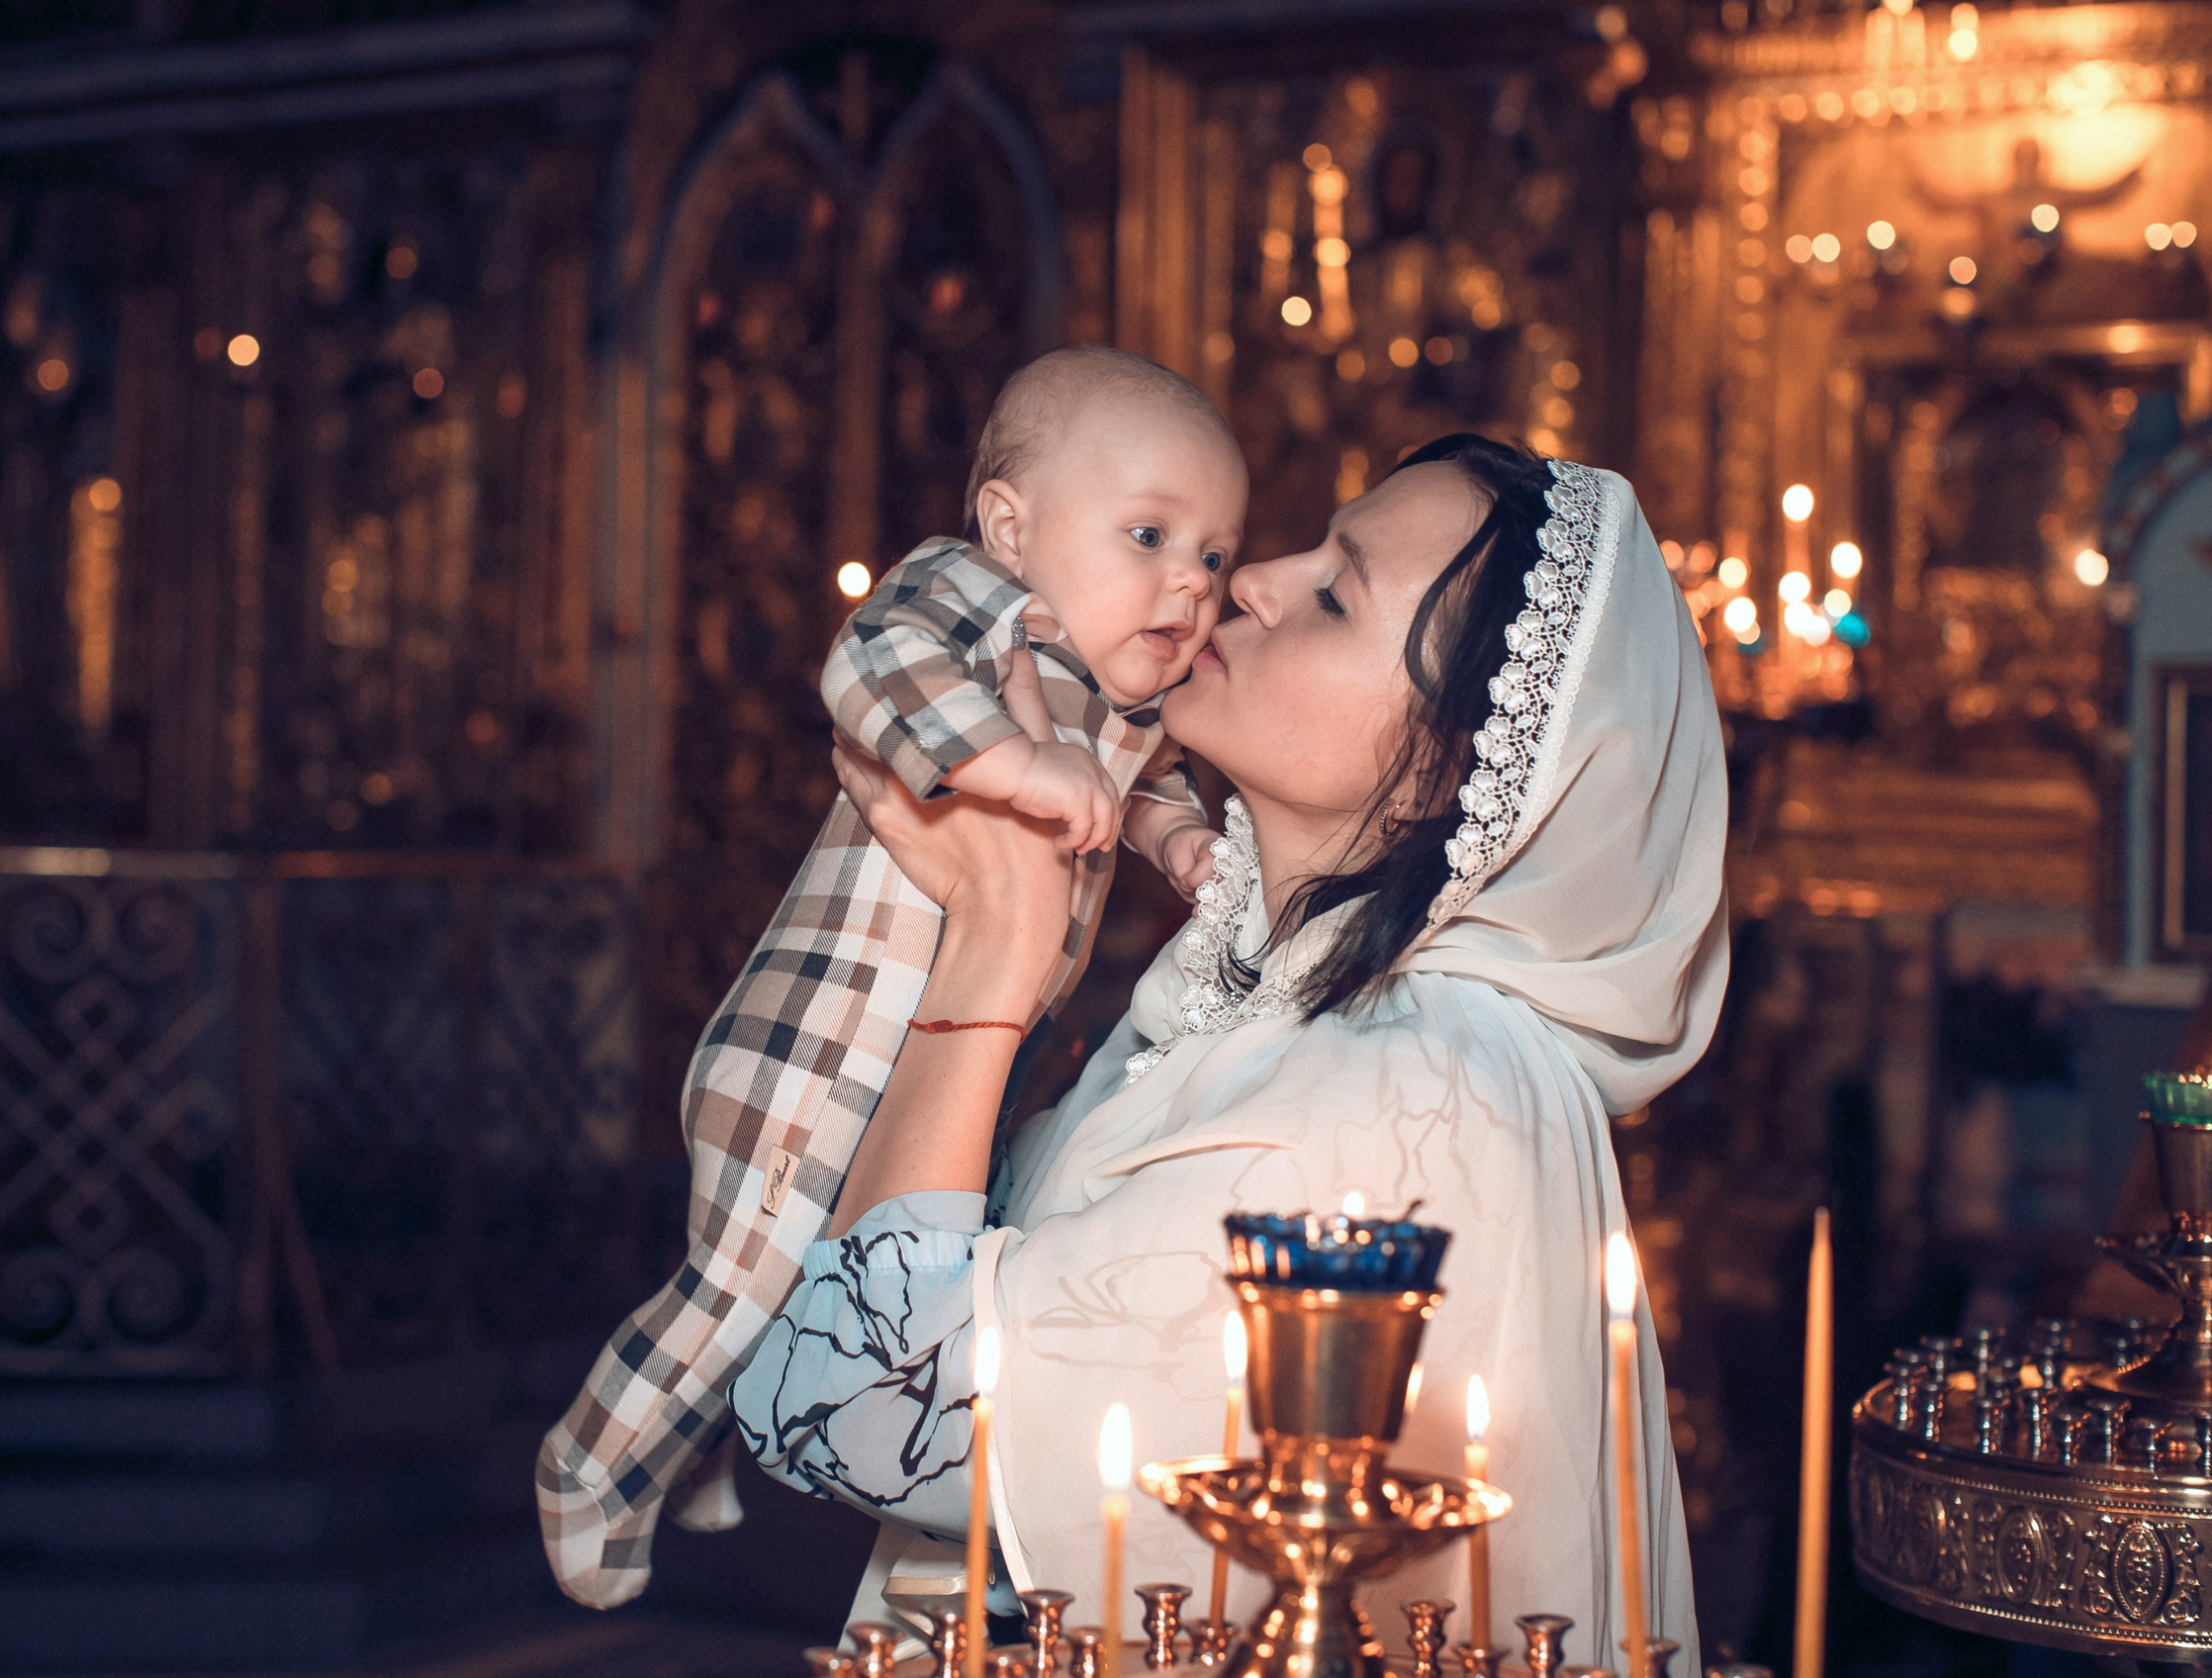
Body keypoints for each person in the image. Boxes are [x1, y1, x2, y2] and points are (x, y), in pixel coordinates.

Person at [730, 438, 1726, 1669]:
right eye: (1307, 544)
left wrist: (992, 945)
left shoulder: (1398, 1094)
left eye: (1332, 594)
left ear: (1450, 769)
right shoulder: (1270, 1013)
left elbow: (833, 1409)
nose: (1250, 578)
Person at [539, 348, 1247, 1608]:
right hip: (811, 1042)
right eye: (1148, 533)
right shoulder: (969, 601)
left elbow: (1148, 790)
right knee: (738, 1279)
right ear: (1009, 527)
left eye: (1213, 557)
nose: (1188, 584)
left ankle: (693, 1460)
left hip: (914, 1058)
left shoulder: (1127, 703)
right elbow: (869, 670)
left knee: (810, 1276)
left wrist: (1178, 836)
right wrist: (1007, 768)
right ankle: (591, 1468)